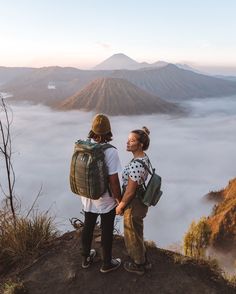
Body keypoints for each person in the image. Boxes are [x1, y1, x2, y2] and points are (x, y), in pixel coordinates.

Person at [80, 113, 122, 273]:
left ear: (92, 130)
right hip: (104, 198)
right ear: (108, 131)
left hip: (87, 194)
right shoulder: (110, 151)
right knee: (106, 228)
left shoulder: (84, 145)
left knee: (88, 225)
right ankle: (107, 263)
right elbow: (113, 180)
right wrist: (119, 199)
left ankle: (85, 258)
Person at [116, 126, 151, 275]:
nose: (127, 142)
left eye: (132, 140)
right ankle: (141, 257)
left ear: (140, 144)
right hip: (140, 202)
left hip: (134, 203)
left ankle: (139, 264)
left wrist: (121, 206)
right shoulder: (142, 158)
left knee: (131, 233)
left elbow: (130, 191)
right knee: (137, 231)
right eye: (128, 139)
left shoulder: (137, 163)